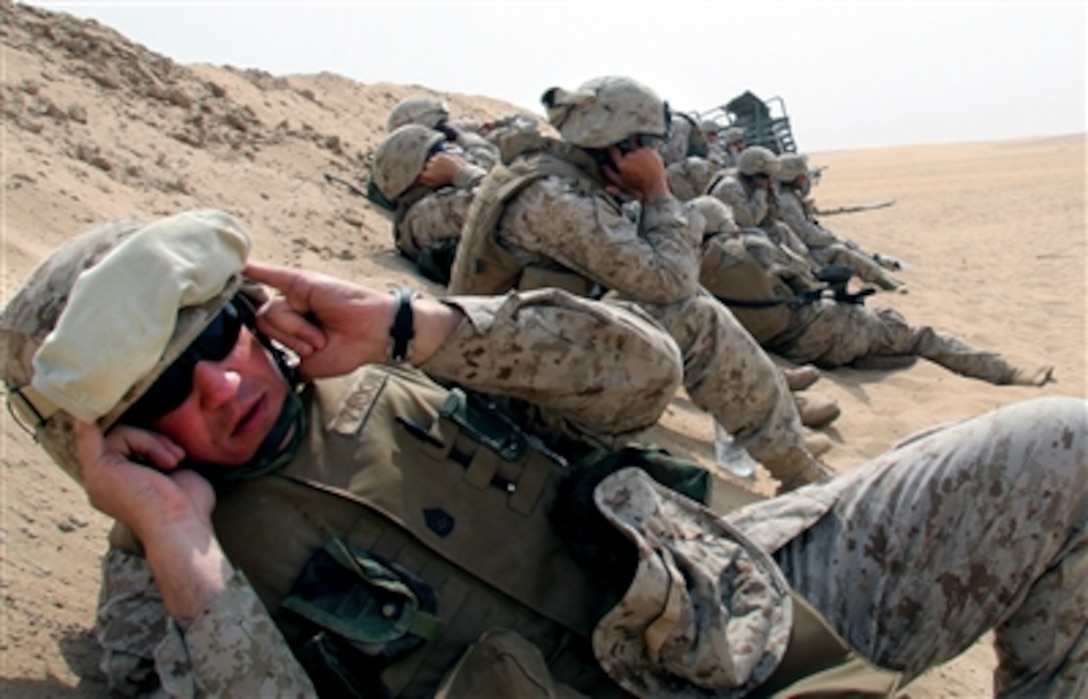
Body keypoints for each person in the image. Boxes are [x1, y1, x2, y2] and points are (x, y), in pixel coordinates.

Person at [4, 211, 1085, 698]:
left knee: (1063, 449)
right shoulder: (162, 598)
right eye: (162, 392)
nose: (225, 386)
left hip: (735, 609)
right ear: (107, 441)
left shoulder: (394, 368)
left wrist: (412, 328)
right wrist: (186, 556)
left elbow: (642, 378)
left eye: (219, 339)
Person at [448, 76, 837, 490]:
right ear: (624, 146)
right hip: (516, 405)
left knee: (688, 299)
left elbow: (648, 266)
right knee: (691, 315)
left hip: (525, 368)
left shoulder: (556, 175)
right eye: (649, 144)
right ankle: (797, 470)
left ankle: (775, 422)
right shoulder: (555, 197)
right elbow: (670, 281)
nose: (656, 154)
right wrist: (656, 191)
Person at [694, 196, 1056, 385]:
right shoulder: (752, 247)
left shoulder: (690, 276)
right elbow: (806, 278)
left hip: (790, 349)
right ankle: (1007, 372)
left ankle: (873, 358)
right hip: (825, 330)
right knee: (919, 335)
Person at [370, 124, 489, 283]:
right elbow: (497, 201)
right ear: (421, 175)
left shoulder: (439, 197)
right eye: (438, 154)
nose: (448, 156)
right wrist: (461, 173)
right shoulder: (424, 216)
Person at [774, 153, 907, 291]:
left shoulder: (790, 197)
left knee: (845, 245)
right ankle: (883, 281)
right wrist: (830, 238)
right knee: (841, 252)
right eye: (801, 175)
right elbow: (805, 234)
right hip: (803, 254)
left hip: (804, 247)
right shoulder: (786, 202)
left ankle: (881, 272)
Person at [385, 96, 500, 171]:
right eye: (442, 123)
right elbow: (487, 163)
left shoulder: (403, 164)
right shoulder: (437, 156)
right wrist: (462, 137)